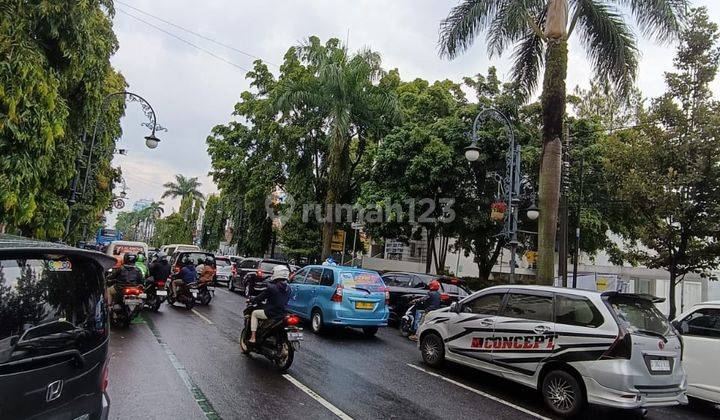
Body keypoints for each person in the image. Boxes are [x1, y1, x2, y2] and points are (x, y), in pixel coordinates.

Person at [248, 265, 291, 343]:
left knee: (254, 313)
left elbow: (260, 297)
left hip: (271, 313)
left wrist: (252, 300)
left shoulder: (272, 287)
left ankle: (253, 337)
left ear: (277, 273)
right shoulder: (288, 288)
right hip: (283, 313)